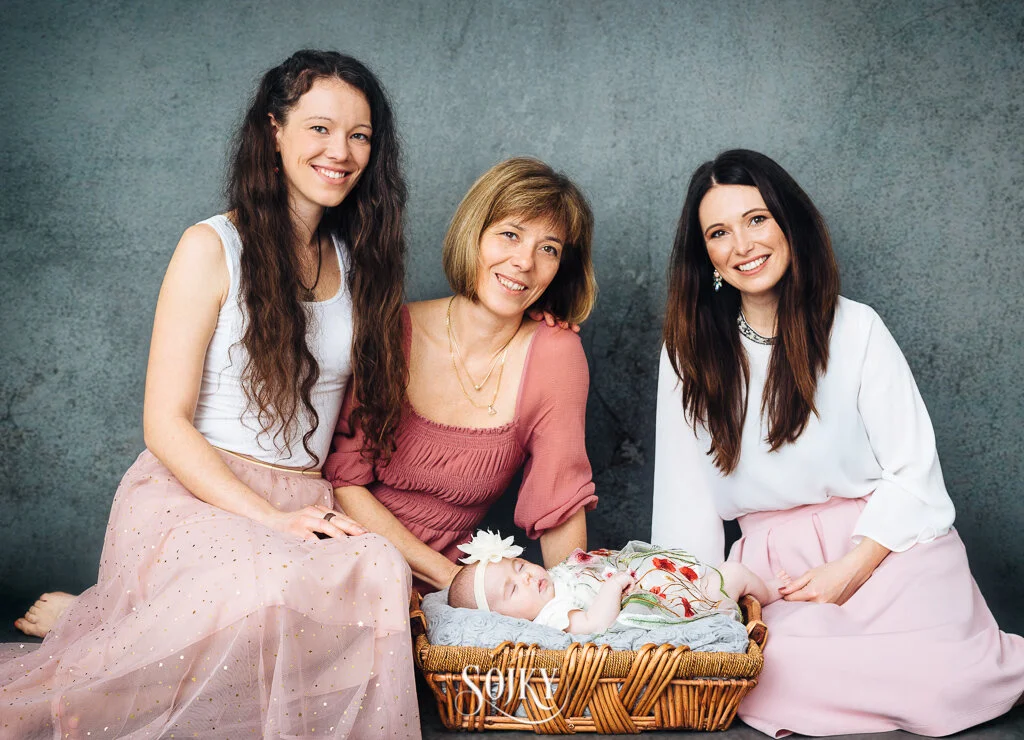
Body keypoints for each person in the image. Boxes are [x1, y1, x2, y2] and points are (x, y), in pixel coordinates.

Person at [3, 50, 421, 739]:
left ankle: (102, 626)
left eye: (359, 136)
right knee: (268, 585)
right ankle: (95, 673)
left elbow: (426, 336)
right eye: (319, 128)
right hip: (196, 495)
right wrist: (270, 519)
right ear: (274, 131)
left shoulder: (358, 261)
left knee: (379, 569)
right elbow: (163, 423)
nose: (340, 152)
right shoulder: (211, 246)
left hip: (304, 497)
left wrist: (534, 319)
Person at [651, 148, 1024, 736]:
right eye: (719, 233)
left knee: (945, 682)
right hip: (775, 573)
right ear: (707, 257)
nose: (743, 245)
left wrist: (851, 568)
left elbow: (913, 470)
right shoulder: (687, 353)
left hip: (886, 550)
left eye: (757, 219)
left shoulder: (857, 327)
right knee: (766, 672)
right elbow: (684, 500)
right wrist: (684, 613)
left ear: (788, 223)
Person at [325, 158, 598, 592]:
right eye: (510, 234)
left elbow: (559, 503)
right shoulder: (392, 331)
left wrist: (576, 608)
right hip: (343, 555)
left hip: (447, 593)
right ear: (474, 234)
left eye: (548, 249)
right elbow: (344, 484)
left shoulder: (556, 354)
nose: (524, 262)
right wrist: (453, 581)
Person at [446, 530, 781, 635]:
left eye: (519, 566)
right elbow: (593, 624)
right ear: (505, 620)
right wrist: (613, 586)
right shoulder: (551, 616)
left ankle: (771, 592)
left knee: (729, 572)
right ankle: (770, 593)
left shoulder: (554, 579)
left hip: (663, 590)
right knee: (732, 575)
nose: (527, 576)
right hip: (665, 613)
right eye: (513, 588)